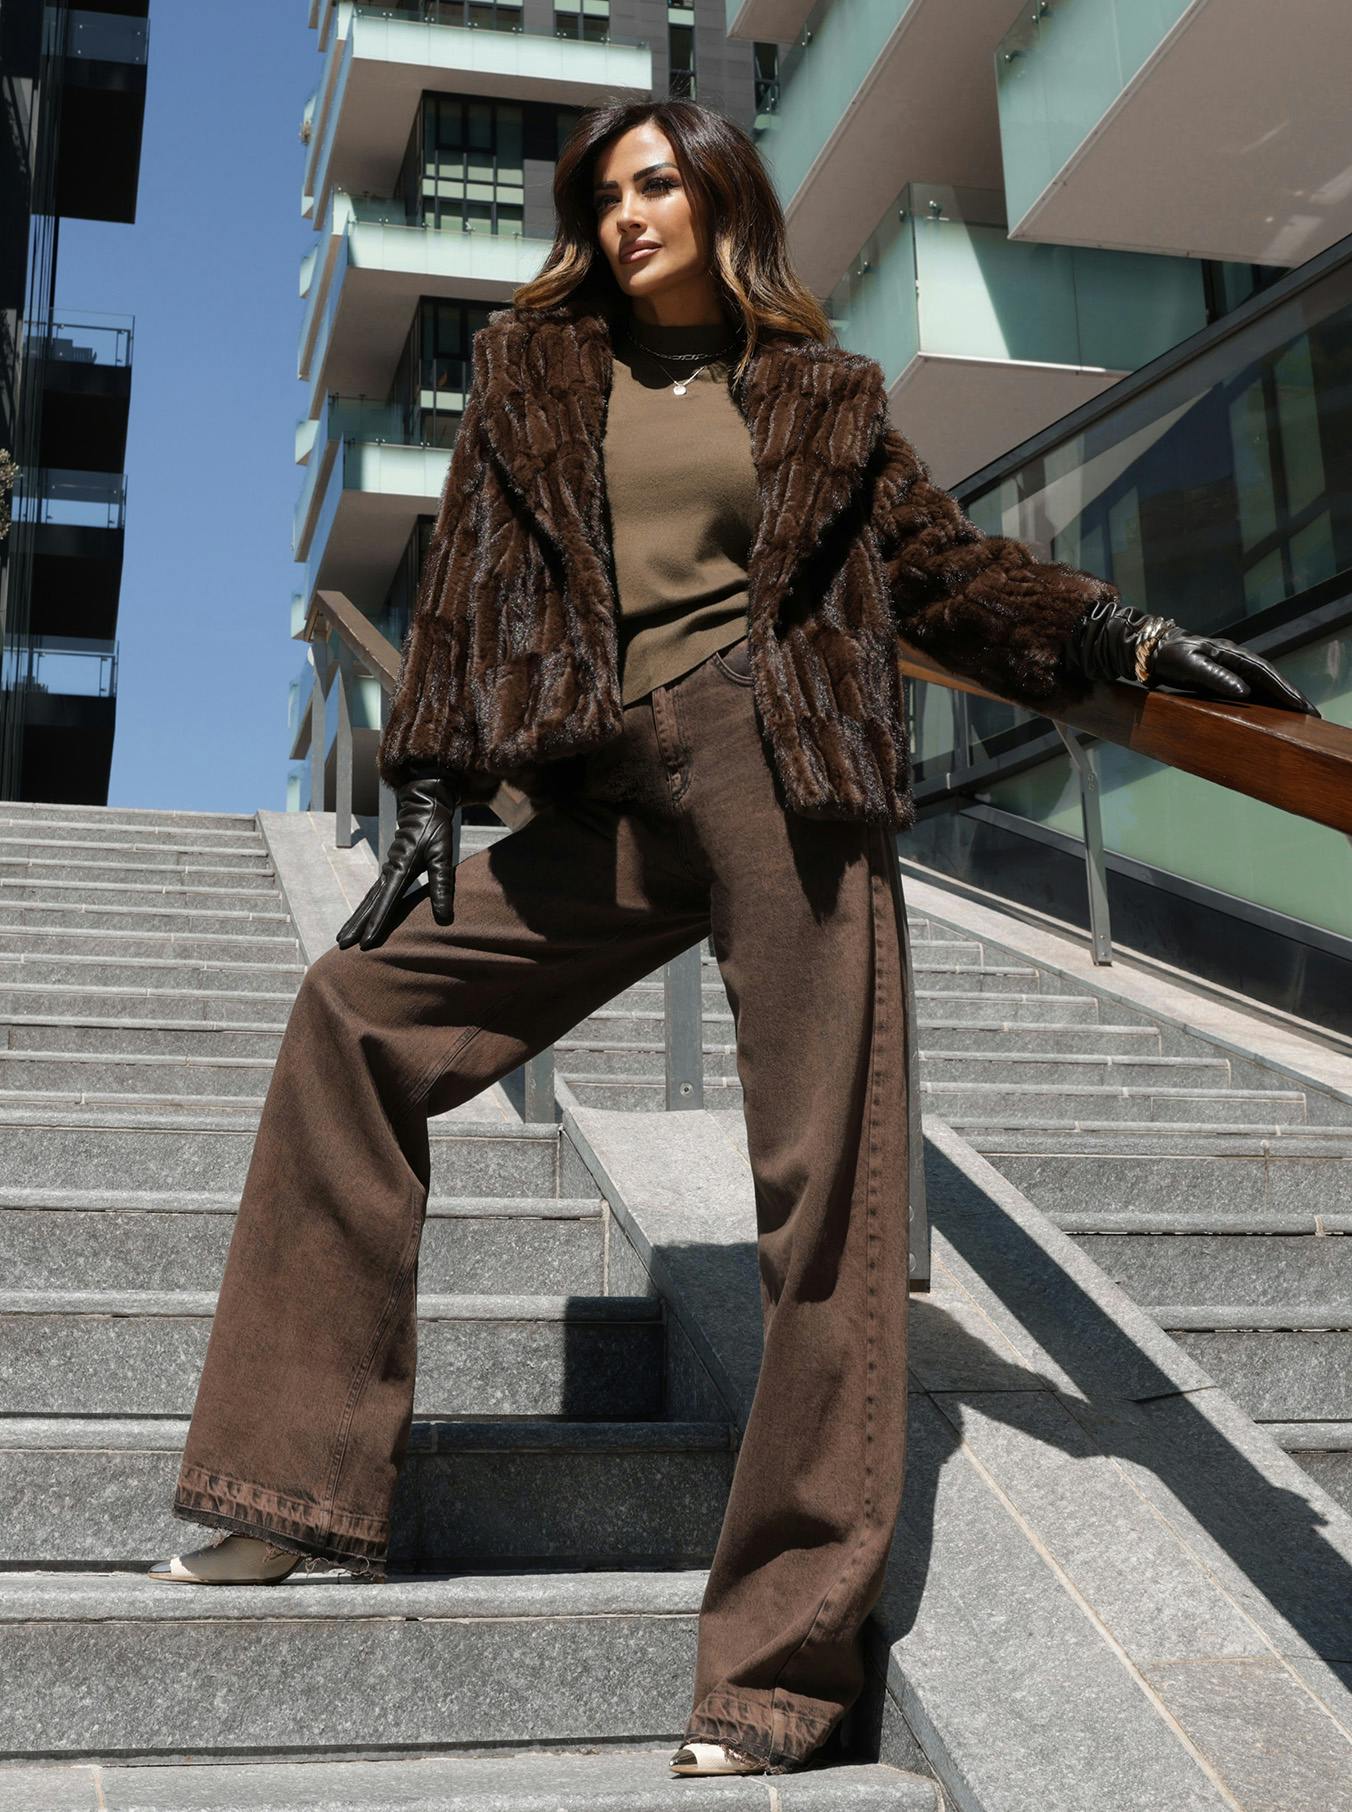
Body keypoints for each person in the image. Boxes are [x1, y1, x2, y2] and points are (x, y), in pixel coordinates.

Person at [148, 99, 1318, 1779]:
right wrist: (424, 781)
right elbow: (469, 593)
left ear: (718, 198)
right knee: (353, 1016)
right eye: (602, 193)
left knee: (822, 1197)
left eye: (655, 184)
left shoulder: (824, 396)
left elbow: (944, 567)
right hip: (605, 793)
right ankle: (288, 1492)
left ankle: (780, 1675)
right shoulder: (539, 380)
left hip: (784, 775)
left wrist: (1116, 632)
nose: (625, 215)